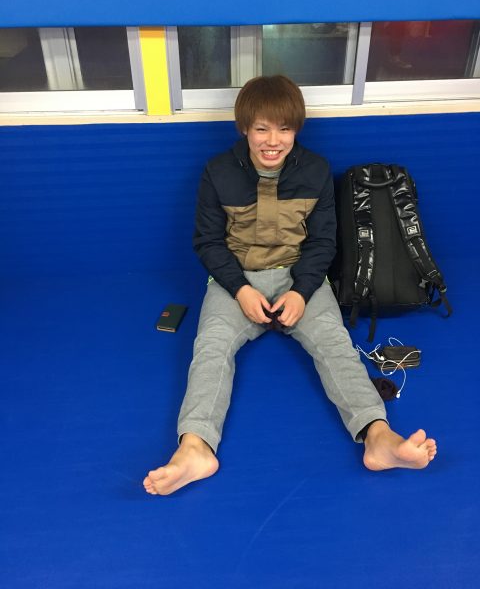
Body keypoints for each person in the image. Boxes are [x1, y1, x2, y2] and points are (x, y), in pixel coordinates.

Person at [143, 75, 437, 496]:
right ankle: (194, 449)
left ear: (296, 129)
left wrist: (300, 291)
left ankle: (378, 438)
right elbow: (207, 242)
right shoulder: (217, 172)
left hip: (300, 277)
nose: (272, 140)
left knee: (335, 344)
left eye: (284, 129)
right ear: (244, 128)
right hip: (236, 277)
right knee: (210, 348)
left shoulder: (315, 170)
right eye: (261, 128)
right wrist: (240, 289)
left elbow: (323, 242)